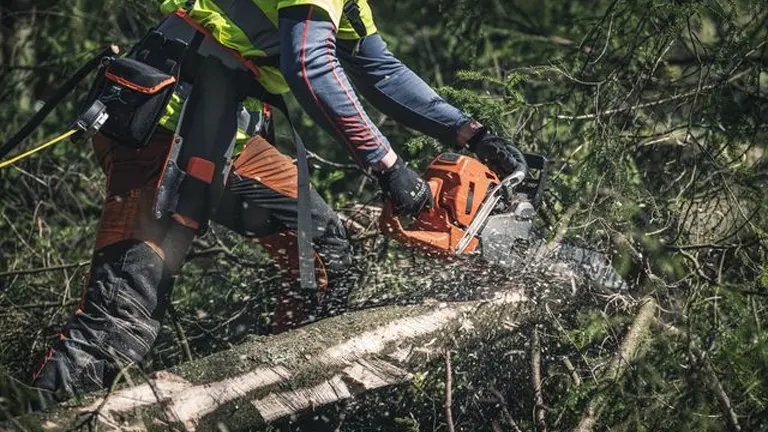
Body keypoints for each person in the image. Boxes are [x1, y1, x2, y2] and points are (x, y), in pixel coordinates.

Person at [30, 0, 526, 400]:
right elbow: (310, 67)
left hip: (227, 132)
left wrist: (472, 134)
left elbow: (381, 70)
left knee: (322, 252)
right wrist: (388, 166)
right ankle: (38, 413)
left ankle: (273, 391)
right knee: (121, 316)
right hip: (169, 127)